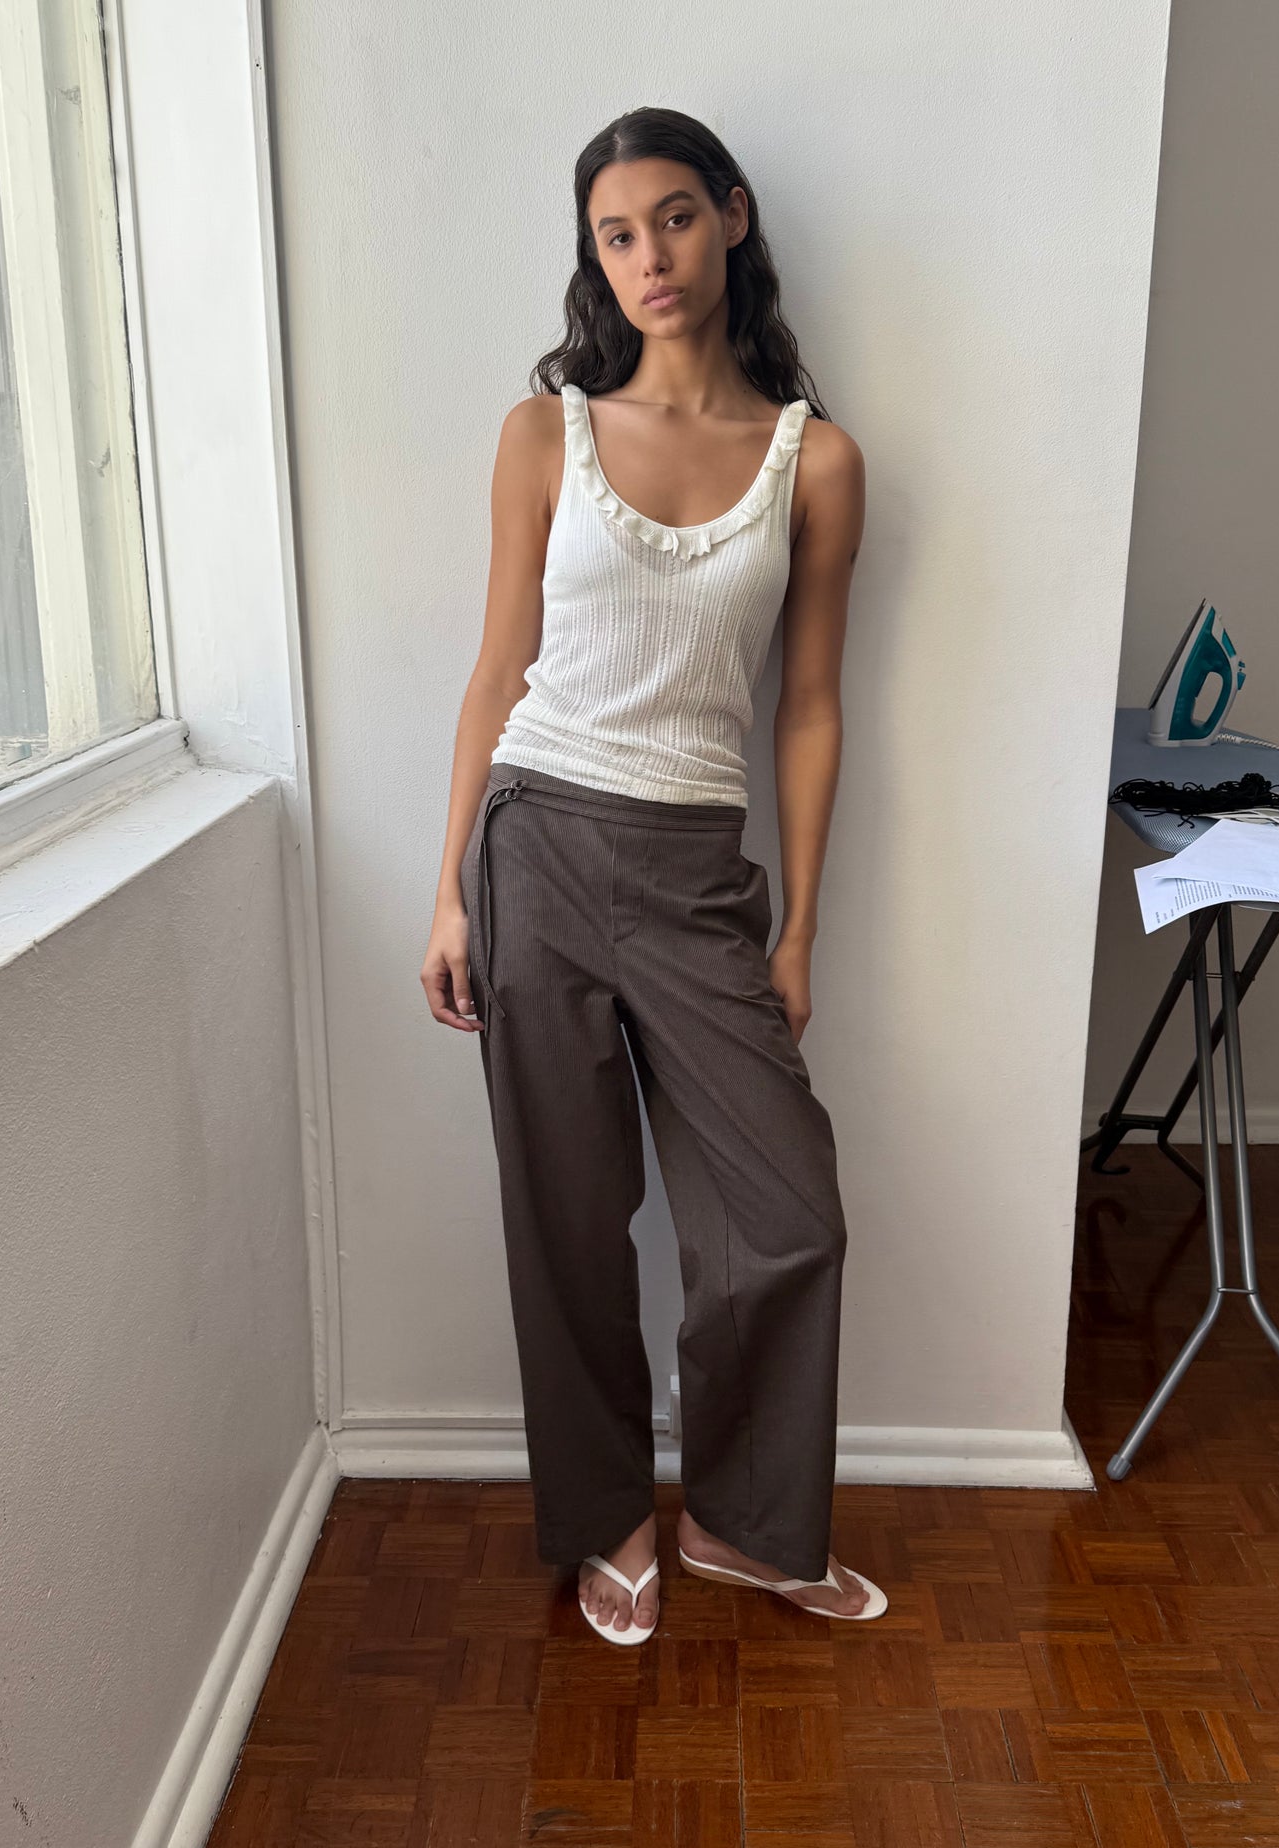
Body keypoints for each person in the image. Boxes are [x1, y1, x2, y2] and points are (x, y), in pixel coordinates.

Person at [422, 106, 882, 1645]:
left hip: (696, 872)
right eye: (615, 235)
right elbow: (497, 675)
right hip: (537, 842)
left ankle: (749, 1529)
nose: (647, 259)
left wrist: (800, 926)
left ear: (732, 219)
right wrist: (447, 894)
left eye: (673, 219)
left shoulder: (814, 462)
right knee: (568, 1215)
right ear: (593, 258)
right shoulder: (541, 430)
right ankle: (609, 1517)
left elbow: (807, 707)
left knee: (786, 1214)